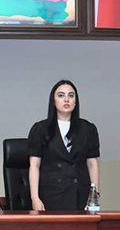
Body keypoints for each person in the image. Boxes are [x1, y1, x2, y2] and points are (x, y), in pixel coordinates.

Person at [28, 80, 100, 211]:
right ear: (53, 101)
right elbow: (34, 165)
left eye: (71, 95)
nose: (66, 99)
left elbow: (92, 164)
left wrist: (94, 196)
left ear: (76, 101)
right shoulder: (40, 129)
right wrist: (35, 197)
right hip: (51, 194)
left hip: (80, 194)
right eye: (61, 95)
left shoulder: (88, 129)